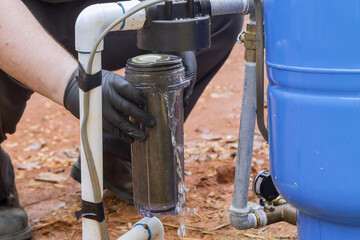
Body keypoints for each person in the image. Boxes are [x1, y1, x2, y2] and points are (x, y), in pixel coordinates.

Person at [0, 0, 243, 239]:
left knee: (213, 13)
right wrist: (71, 83)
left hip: (89, 7)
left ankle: (119, 149)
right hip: (14, 17)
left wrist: (174, 18)